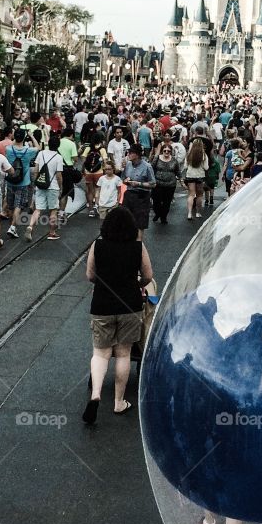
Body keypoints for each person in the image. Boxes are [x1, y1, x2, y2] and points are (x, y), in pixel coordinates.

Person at [82, 204, 154, 423]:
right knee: (123, 354)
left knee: (100, 353)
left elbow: (90, 275)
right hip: (129, 304)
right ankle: (119, 402)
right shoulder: (137, 246)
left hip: (102, 304)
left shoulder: (98, 245)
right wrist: (136, 284)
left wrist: (104, 283)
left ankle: (96, 395)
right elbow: (148, 276)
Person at [4, 129, 37, 238]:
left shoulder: (8, 149)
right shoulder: (28, 151)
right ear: (24, 138)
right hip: (23, 182)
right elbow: (38, 147)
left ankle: (11, 226)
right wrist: (31, 136)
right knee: (18, 205)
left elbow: (12, 144)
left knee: (10, 205)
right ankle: (13, 227)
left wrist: (15, 138)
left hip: (10, 181)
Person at [31, 133, 63, 240]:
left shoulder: (41, 153)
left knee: (38, 209)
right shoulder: (58, 157)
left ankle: (30, 226)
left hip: (40, 185)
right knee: (53, 210)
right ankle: (52, 232)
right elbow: (59, 175)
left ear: (48, 144)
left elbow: (36, 170)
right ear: (58, 146)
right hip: (53, 186)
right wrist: (60, 187)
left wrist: (36, 182)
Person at [121, 144, 155, 233]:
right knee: (125, 220)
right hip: (129, 195)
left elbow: (153, 184)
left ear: (137, 154)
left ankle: (138, 243)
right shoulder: (128, 164)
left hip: (141, 196)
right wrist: (126, 181)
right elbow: (123, 178)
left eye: (130, 153)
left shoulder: (147, 166)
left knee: (140, 223)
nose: (128, 154)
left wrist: (139, 184)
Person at [152, 141, 181, 225]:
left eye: (168, 151)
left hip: (170, 185)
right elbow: (152, 167)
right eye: (165, 150)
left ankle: (163, 217)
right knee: (156, 202)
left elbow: (178, 171)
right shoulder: (157, 158)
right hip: (158, 184)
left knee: (166, 203)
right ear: (162, 151)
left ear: (171, 152)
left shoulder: (174, 160)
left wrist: (182, 181)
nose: (166, 152)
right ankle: (158, 213)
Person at [184, 137, 208, 220]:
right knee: (199, 195)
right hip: (200, 176)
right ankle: (198, 212)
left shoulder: (189, 154)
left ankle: (189, 213)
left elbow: (185, 166)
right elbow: (206, 167)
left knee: (191, 194)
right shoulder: (204, 155)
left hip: (190, 175)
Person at [80, 136, 105, 217]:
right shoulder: (102, 149)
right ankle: (96, 206)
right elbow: (105, 161)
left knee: (90, 191)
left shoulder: (88, 148)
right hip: (99, 172)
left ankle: (90, 209)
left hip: (88, 172)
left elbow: (83, 158)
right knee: (97, 189)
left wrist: (84, 169)